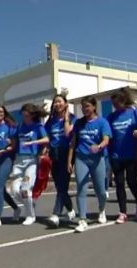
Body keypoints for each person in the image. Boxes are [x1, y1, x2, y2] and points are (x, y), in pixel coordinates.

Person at [68, 96, 111, 232]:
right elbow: (73, 143)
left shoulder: (102, 122)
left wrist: (99, 146)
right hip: (81, 158)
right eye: (82, 106)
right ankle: (82, 219)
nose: (84, 109)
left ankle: (102, 210)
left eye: (87, 106)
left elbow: (106, 139)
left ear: (94, 107)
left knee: (101, 191)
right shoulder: (79, 123)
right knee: (81, 188)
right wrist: (70, 161)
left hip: (98, 159)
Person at [107, 88, 137, 224]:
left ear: (124, 101)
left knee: (132, 181)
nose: (115, 106)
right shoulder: (111, 117)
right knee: (119, 183)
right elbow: (108, 136)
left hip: (132, 156)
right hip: (116, 156)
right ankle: (123, 212)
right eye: (113, 104)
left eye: (117, 103)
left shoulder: (135, 113)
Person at [10, 103, 49, 226]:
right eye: (23, 114)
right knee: (14, 190)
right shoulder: (20, 126)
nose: (24, 117)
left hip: (31, 161)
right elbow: (14, 140)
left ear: (32, 114)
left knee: (26, 188)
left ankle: (30, 216)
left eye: (26, 115)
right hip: (19, 161)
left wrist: (33, 142)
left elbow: (47, 140)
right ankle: (30, 203)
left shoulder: (38, 126)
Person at [45, 94, 76, 227]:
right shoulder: (50, 121)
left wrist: (67, 118)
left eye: (60, 102)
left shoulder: (73, 119)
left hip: (67, 154)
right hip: (54, 155)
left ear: (66, 104)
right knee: (60, 187)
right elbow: (46, 138)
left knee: (63, 185)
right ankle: (70, 209)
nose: (57, 104)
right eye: (55, 102)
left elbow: (68, 134)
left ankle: (55, 214)